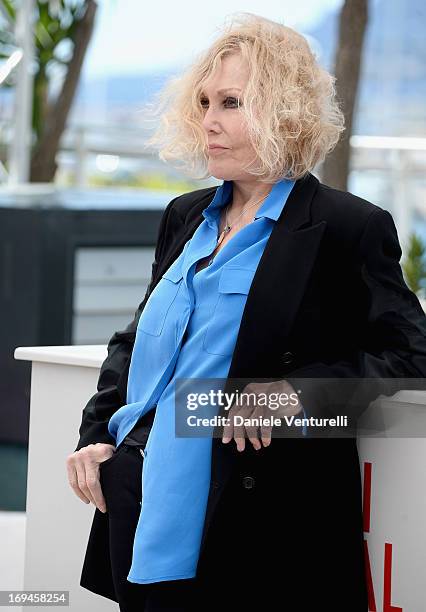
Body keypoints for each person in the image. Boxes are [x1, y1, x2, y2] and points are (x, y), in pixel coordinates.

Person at [66, 12, 426, 612]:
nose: (208, 121)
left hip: (258, 514)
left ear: (284, 111)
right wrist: (98, 435)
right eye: (204, 101)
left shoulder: (346, 227)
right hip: (140, 493)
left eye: (231, 102)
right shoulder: (185, 215)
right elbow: (138, 341)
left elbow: (411, 354)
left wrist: (295, 394)